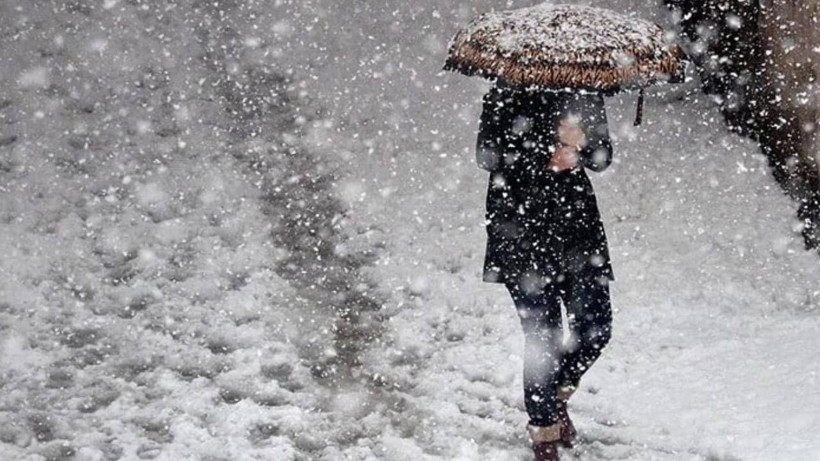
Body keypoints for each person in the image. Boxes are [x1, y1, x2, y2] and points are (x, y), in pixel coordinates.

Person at [476, 83, 615, 461]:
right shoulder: (504, 93)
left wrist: (581, 145)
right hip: (520, 232)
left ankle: (555, 396)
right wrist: (547, 149)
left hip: (577, 232)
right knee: (544, 339)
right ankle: (544, 434)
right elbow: (488, 156)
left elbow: (603, 158)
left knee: (596, 328)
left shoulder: (584, 93)